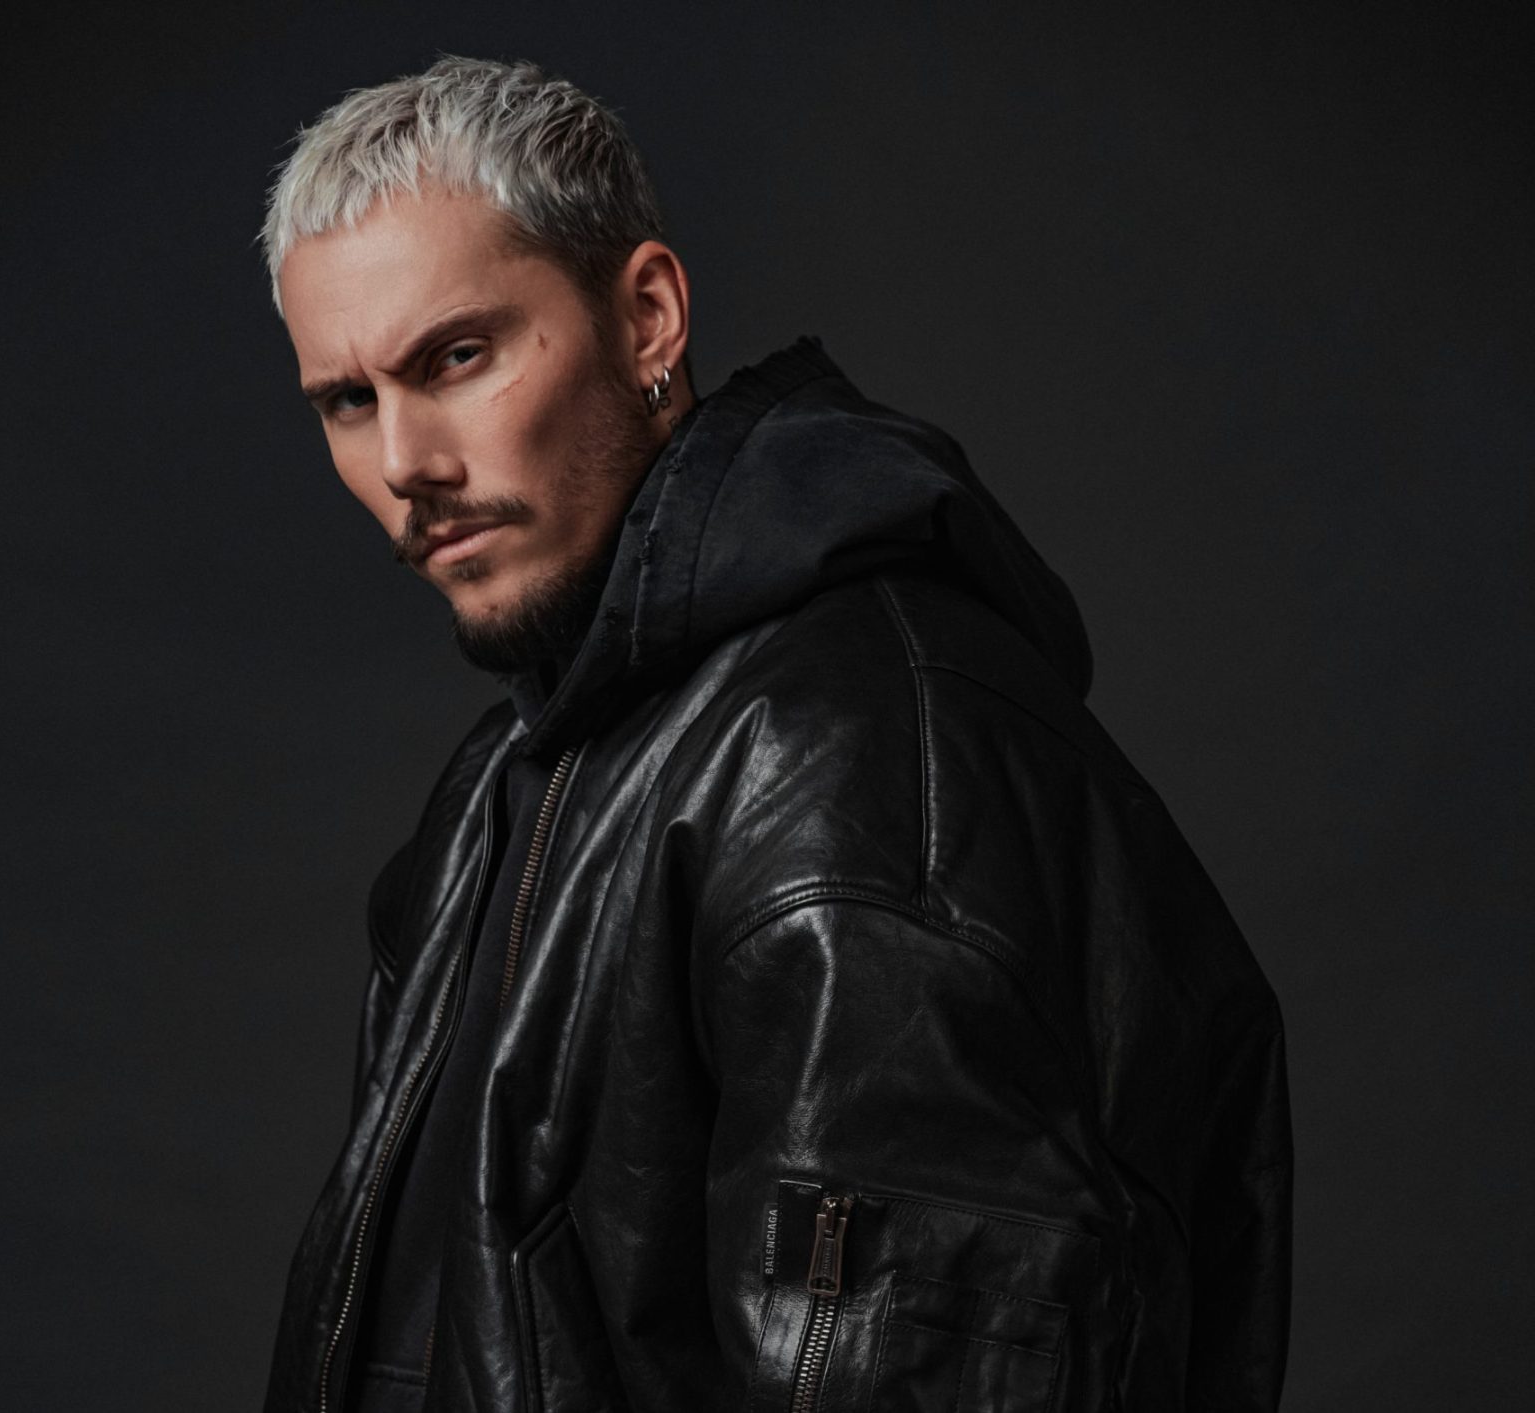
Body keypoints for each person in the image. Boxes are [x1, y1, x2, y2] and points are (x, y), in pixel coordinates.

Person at [259, 55, 1292, 1413]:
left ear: (646, 316)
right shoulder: (510, 784)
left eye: (457, 357)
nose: (406, 463)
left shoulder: (849, 755)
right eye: (349, 400)